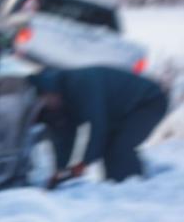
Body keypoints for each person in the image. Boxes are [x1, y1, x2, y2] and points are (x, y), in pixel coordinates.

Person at [28, 67, 168, 184]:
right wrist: (60, 169)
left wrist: (84, 163)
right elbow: (65, 137)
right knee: (110, 150)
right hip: (120, 112)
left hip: (148, 101)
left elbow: (97, 127)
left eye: (47, 100)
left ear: (52, 91)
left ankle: (137, 190)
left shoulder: (81, 85)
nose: (48, 105)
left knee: (120, 148)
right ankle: (120, 188)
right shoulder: (63, 105)